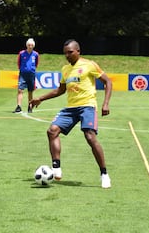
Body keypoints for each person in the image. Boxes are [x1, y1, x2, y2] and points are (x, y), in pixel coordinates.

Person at [29, 39, 112, 188]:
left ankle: (104, 174)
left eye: (70, 52)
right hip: (71, 108)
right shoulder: (65, 69)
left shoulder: (89, 65)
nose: (67, 55)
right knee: (52, 131)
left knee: (90, 136)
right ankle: (56, 168)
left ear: (78, 51)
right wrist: (40, 98)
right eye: (65, 53)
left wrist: (106, 103)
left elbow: (108, 82)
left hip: (87, 106)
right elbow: (60, 90)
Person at [13, 38, 39, 113]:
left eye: (31, 45)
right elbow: (18, 63)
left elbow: (36, 63)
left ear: (33, 46)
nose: (30, 46)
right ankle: (18, 106)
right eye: (28, 45)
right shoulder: (21, 53)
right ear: (26, 45)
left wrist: (32, 69)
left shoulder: (36, 54)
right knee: (20, 90)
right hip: (23, 74)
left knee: (30, 91)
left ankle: (30, 106)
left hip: (31, 74)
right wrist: (22, 69)